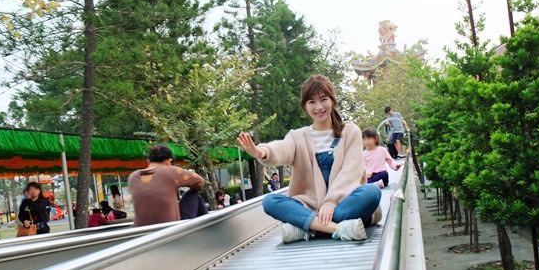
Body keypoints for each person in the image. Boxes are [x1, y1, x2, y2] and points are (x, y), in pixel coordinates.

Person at [237, 74, 382, 243]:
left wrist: (330, 203)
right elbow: (283, 148)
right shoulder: (298, 136)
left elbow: (350, 173)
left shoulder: (350, 132)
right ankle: (338, 229)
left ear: (333, 101)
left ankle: (309, 228)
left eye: (323, 99)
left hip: (344, 203)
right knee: (270, 201)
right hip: (310, 207)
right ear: (305, 107)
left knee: (371, 192)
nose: (318, 107)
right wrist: (260, 151)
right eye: (311, 102)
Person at [128, 145, 207, 226]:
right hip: (171, 228)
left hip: (142, 231)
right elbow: (200, 182)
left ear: (148, 161)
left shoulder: (133, 177)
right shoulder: (170, 171)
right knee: (194, 194)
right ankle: (209, 228)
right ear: (169, 161)